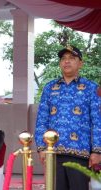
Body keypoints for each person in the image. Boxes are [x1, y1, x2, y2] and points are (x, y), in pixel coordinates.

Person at [34, 45, 101, 190]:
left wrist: (97, 151)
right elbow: (41, 120)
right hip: (53, 153)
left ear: (80, 63)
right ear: (59, 63)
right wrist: (41, 148)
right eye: (63, 58)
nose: (67, 61)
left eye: (72, 58)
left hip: (80, 154)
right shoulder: (49, 88)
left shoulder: (91, 88)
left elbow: (98, 121)